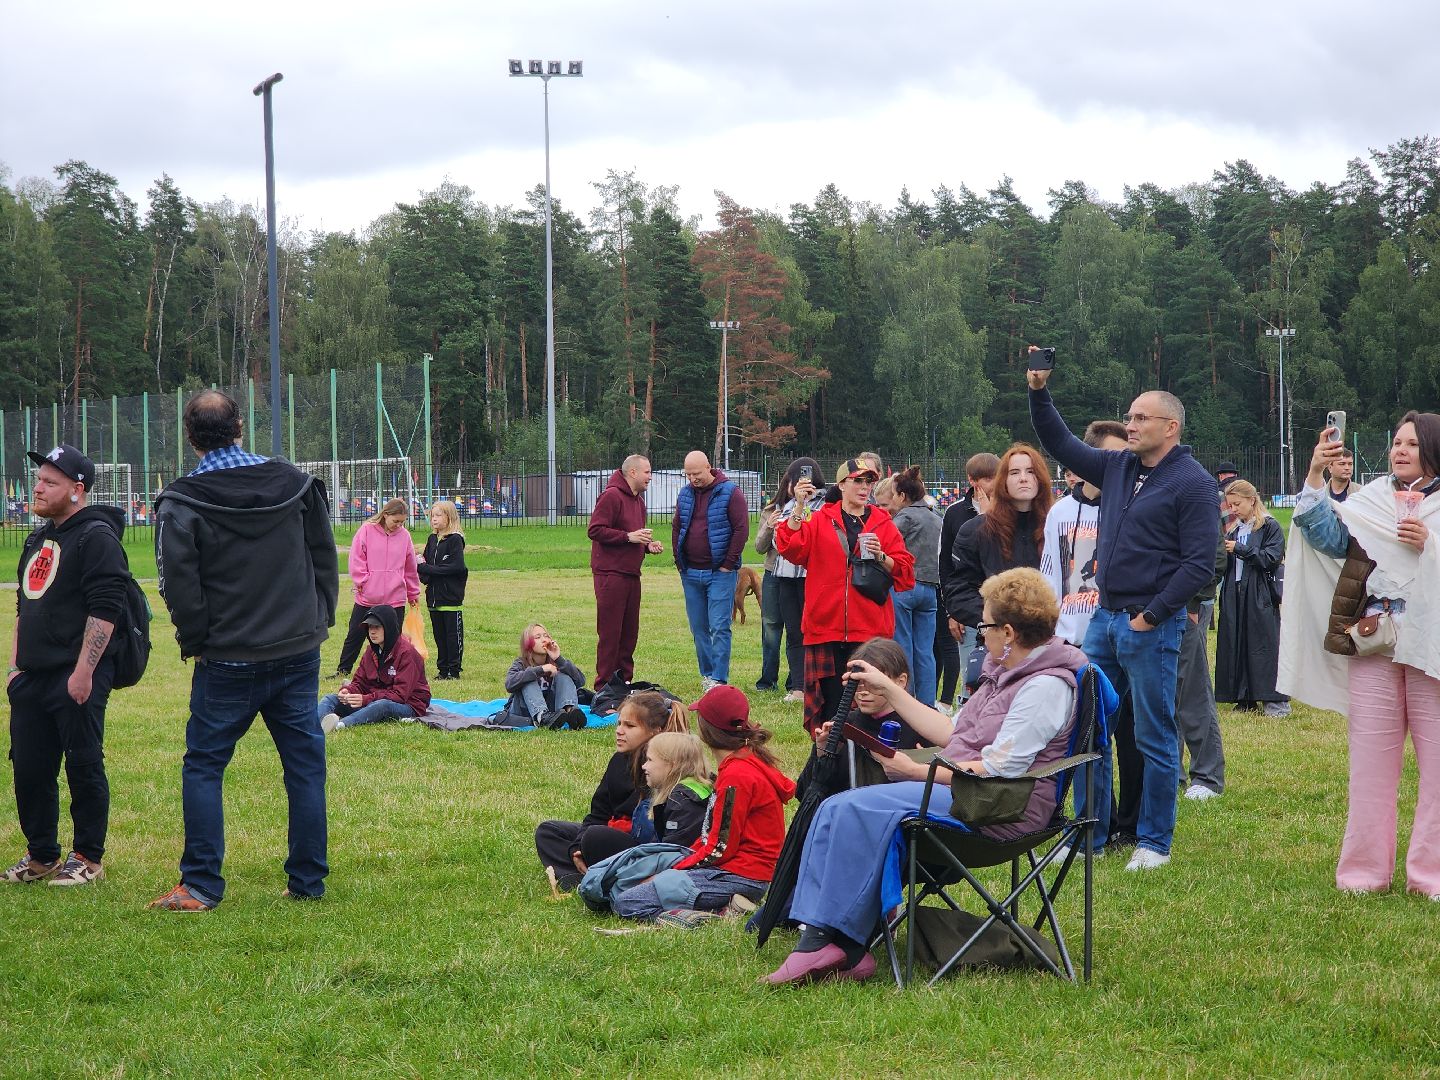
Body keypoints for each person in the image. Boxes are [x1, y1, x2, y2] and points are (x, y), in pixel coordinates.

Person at [763, 567, 1086, 984]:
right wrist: (891, 689)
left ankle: (836, 944)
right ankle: (831, 938)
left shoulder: (1044, 687)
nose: (978, 630)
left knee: (852, 808)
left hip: (1001, 809)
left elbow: (999, 768)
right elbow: (954, 733)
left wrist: (917, 772)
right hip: (973, 793)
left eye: (984, 624)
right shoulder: (1007, 671)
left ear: (1008, 632)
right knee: (836, 806)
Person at [149, 389, 338, 910]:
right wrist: (317, 621)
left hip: (228, 657)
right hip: (297, 650)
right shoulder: (295, 484)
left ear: (191, 438)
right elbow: (325, 557)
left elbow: (178, 587)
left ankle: (203, 885)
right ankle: (307, 882)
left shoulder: (182, 502)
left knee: (205, 766)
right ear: (240, 427)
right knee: (304, 767)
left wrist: (197, 642)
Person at [1028, 360, 1218, 871]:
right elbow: (1061, 443)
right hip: (1103, 622)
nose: (1129, 426)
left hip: (1147, 625)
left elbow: (1200, 562)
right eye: (1129, 418)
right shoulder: (1118, 468)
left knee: (1154, 734)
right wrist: (1040, 393)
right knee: (1087, 726)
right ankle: (1090, 831)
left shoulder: (1194, 483)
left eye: (1139, 418)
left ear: (1169, 427)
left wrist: (1153, 616)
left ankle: (1154, 842)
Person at [1281, 415, 1440, 897]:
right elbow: (1326, 536)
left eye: (1412, 443)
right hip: (1376, 641)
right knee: (1370, 765)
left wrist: (1430, 546)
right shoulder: (1370, 501)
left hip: (1432, 646)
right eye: (1395, 442)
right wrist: (1314, 475)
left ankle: (1430, 876)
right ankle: (1363, 875)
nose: (1400, 450)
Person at [4, 445, 129, 887]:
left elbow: (107, 607)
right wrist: (16, 666)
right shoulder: (38, 538)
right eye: (38, 479)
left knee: (82, 763)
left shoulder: (96, 537)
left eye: (49, 482)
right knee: (31, 767)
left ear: (77, 490)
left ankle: (88, 857)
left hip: (77, 674)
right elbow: (24, 604)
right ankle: (41, 855)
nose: (37, 487)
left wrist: (83, 673)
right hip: (33, 675)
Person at [612, 685, 795, 920]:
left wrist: (670, 872)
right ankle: (727, 907)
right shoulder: (745, 759)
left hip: (739, 876)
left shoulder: (737, 775)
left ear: (707, 728)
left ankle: (702, 916)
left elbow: (719, 848)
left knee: (627, 902)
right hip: (740, 872)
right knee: (636, 882)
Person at [773, 459, 916, 734]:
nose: (864, 488)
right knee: (830, 708)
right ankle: (830, 762)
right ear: (841, 485)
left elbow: (906, 571)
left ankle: (864, 762)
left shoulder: (882, 521)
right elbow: (790, 547)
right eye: (857, 481)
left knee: (868, 708)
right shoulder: (819, 518)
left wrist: (881, 555)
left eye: (868, 482)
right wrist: (799, 506)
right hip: (825, 627)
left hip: (870, 628)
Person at [534, 691, 688, 891]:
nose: (619, 731)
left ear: (655, 731)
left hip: (644, 848)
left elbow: (657, 834)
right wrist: (578, 846)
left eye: (630, 726)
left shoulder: (666, 767)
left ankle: (603, 878)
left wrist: (593, 839)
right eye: (619, 723)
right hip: (612, 836)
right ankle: (579, 875)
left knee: (597, 837)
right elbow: (599, 812)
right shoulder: (618, 761)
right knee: (549, 831)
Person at [944, 443, 1054, 638]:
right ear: (1003, 480)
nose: (1023, 478)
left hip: (1051, 637)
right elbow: (959, 591)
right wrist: (995, 620)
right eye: (1014, 472)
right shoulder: (976, 531)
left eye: (1030, 471)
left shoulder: (1058, 527)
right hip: (996, 638)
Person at [673, 451, 749, 691]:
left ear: (709, 467)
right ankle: (707, 674)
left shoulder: (730, 492)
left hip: (720, 573)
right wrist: (678, 559)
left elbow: (741, 530)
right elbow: (678, 526)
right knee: (699, 627)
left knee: (719, 626)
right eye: (688, 474)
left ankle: (719, 678)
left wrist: (728, 563)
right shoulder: (685, 494)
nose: (693, 479)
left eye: (696, 473)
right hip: (691, 572)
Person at [588, 455, 664, 690]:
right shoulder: (611, 496)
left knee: (629, 633)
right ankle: (604, 687)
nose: (650, 477)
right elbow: (595, 530)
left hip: (632, 574)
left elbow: (634, 537)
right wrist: (627, 537)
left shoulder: (639, 501)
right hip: (611, 574)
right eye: (647, 472)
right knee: (611, 633)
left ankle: (624, 682)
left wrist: (647, 546)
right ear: (632, 472)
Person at [1215, 480, 1289, 717]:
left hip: (1259, 594)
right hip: (1234, 593)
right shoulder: (1235, 529)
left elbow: (1271, 558)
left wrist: (1240, 549)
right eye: (1230, 505)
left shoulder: (1269, 526)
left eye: (1237, 504)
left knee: (1263, 645)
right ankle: (1243, 697)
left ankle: (1274, 700)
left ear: (1252, 500)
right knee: (1236, 643)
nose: (1233, 509)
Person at [754, 457, 822, 701]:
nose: (803, 485)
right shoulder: (778, 508)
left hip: (810, 576)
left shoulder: (825, 505)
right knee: (782, 629)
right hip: (781, 574)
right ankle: (788, 684)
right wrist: (773, 526)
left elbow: (813, 540)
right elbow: (769, 544)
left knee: (810, 632)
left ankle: (805, 683)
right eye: (797, 481)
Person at [937, 453, 1000, 712]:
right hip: (970, 608)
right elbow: (946, 565)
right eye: (986, 478)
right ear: (972, 481)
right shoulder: (954, 513)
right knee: (971, 674)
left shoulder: (1009, 511)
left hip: (1002, 607)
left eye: (995, 477)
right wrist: (952, 612)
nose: (992, 483)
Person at [875, 467, 942, 707]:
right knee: (926, 651)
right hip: (931, 590)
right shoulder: (937, 518)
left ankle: (906, 701)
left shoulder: (904, 518)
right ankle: (927, 704)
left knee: (903, 649)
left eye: (893, 495)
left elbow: (883, 544)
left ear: (902, 496)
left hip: (904, 588)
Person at [335, 498, 419, 679]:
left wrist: (413, 592)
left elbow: (410, 566)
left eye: (402, 522)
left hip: (394, 598)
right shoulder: (366, 530)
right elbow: (356, 560)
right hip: (368, 597)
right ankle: (343, 669)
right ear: (385, 515)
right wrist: (364, 583)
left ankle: (392, 671)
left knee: (393, 638)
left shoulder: (405, 536)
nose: (399, 525)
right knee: (355, 634)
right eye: (396, 521)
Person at [317, 606, 430, 733]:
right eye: (369, 627)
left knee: (381, 705)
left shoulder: (407, 653)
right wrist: (347, 691)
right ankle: (317, 724)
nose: (372, 631)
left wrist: (365, 699)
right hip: (375, 700)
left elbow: (400, 695)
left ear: (389, 628)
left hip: (408, 705)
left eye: (377, 627)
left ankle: (340, 725)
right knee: (331, 698)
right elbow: (359, 682)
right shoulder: (371, 650)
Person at [503, 623, 587, 730]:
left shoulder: (556, 663)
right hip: (522, 710)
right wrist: (541, 669)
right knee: (528, 677)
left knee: (563, 674)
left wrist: (558, 659)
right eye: (538, 637)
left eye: (546, 636)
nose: (544, 640)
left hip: (552, 712)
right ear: (527, 644)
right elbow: (509, 684)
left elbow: (580, 681)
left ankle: (571, 713)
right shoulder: (521, 663)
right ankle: (541, 717)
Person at [417, 500, 467, 680]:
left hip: (450, 599)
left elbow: (455, 567)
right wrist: (424, 573)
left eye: (438, 515)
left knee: (453, 636)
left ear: (449, 517)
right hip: (433, 598)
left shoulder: (455, 540)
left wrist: (426, 569)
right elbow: (424, 563)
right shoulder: (432, 539)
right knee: (439, 636)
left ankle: (454, 670)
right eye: (432, 516)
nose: (434, 519)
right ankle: (442, 669)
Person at [640, 732, 714, 849]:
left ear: (672, 765)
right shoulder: (697, 788)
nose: (644, 766)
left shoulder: (681, 801)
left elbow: (672, 851)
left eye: (650, 759)